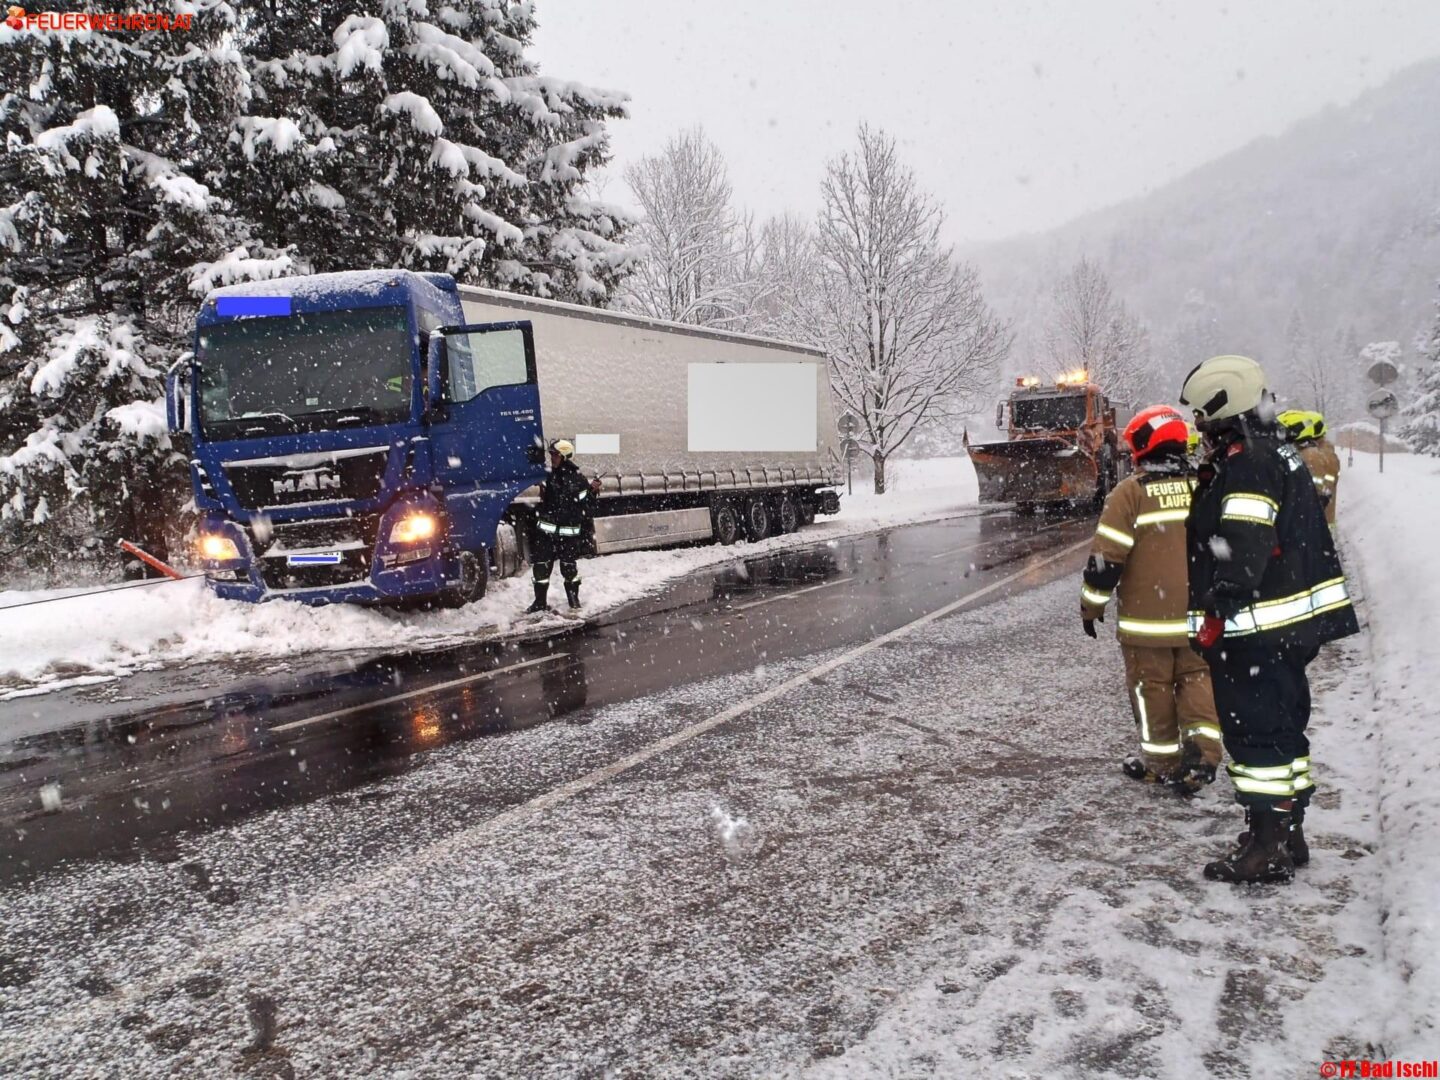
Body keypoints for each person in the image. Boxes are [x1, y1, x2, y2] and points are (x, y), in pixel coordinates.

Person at [1180, 356, 1359, 884]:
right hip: (1285, 629)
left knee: (1257, 738)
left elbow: (1243, 550)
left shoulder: (1250, 462)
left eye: (1203, 417)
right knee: (1283, 733)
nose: (1198, 427)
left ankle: (1266, 847)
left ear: (1225, 406)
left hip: (1258, 633)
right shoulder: (1277, 450)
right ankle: (1286, 831)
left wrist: (1217, 601)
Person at [1081, 405, 1223, 794]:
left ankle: (1163, 764)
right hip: (1200, 618)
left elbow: (1105, 563)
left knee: (1152, 689)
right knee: (1197, 680)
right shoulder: (1206, 486)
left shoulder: (1129, 494)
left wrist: (1091, 607)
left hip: (1148, 626)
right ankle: (1204, 756)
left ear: (1143, 447)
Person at [526, 439, 598, 614]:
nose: (552, 458)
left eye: (556, 455)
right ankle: (540, 602)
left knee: (569, 568)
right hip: (546, 533)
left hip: (568, 534)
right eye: (551, 454)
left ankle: (573, 600)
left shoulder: (577, 479)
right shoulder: (548, 475)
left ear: (565, 456)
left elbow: (586, 506)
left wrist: (592, 492)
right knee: (541, 567)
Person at [1277, 409, 1341, 530]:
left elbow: (1316, 491)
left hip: (1313, 525)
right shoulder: (1318, 452)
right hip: (1318, 522)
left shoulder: (1312, 456)